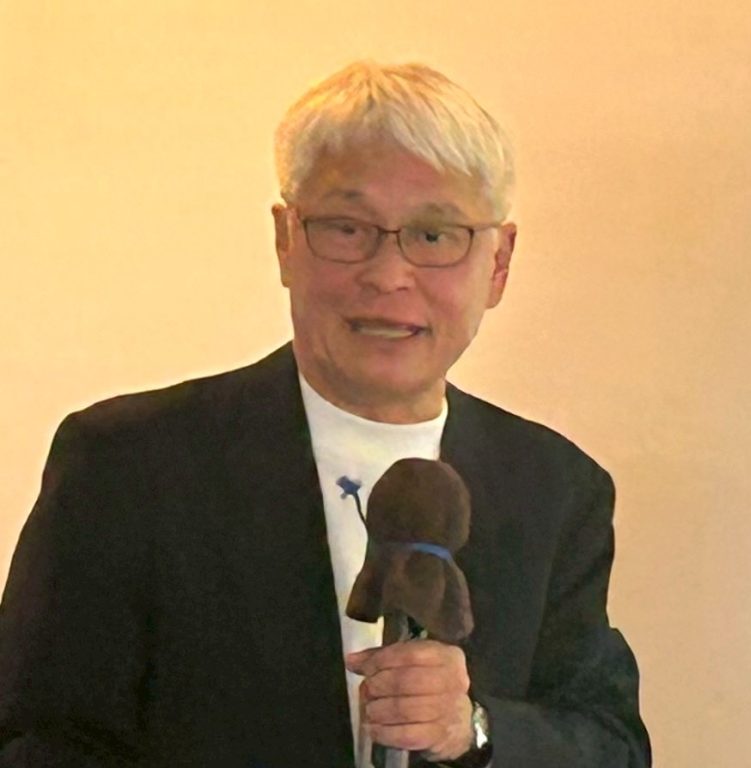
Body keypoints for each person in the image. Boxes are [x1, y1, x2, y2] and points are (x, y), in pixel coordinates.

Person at [0, 62, 651, 767]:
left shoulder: (554, 487)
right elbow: (35, 740)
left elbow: (610, 747)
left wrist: (473, 730)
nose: (389, 275)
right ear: (286, 241)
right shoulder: (129, 465)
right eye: (347, 228)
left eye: (435, 236)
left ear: (499, 263)